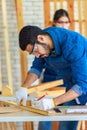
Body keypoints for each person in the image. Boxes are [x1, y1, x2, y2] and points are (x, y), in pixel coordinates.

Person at [15, 25, 87, 130]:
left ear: (41, 38)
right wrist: (24, 87)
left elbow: (82, 85)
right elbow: (36, 68)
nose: (37, 55)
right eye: (33, 53)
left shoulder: (73, 44)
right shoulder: (42, 43)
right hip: (73, 84)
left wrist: (53, 102)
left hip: (82, 82)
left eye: (36, 50)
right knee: (66, 126)